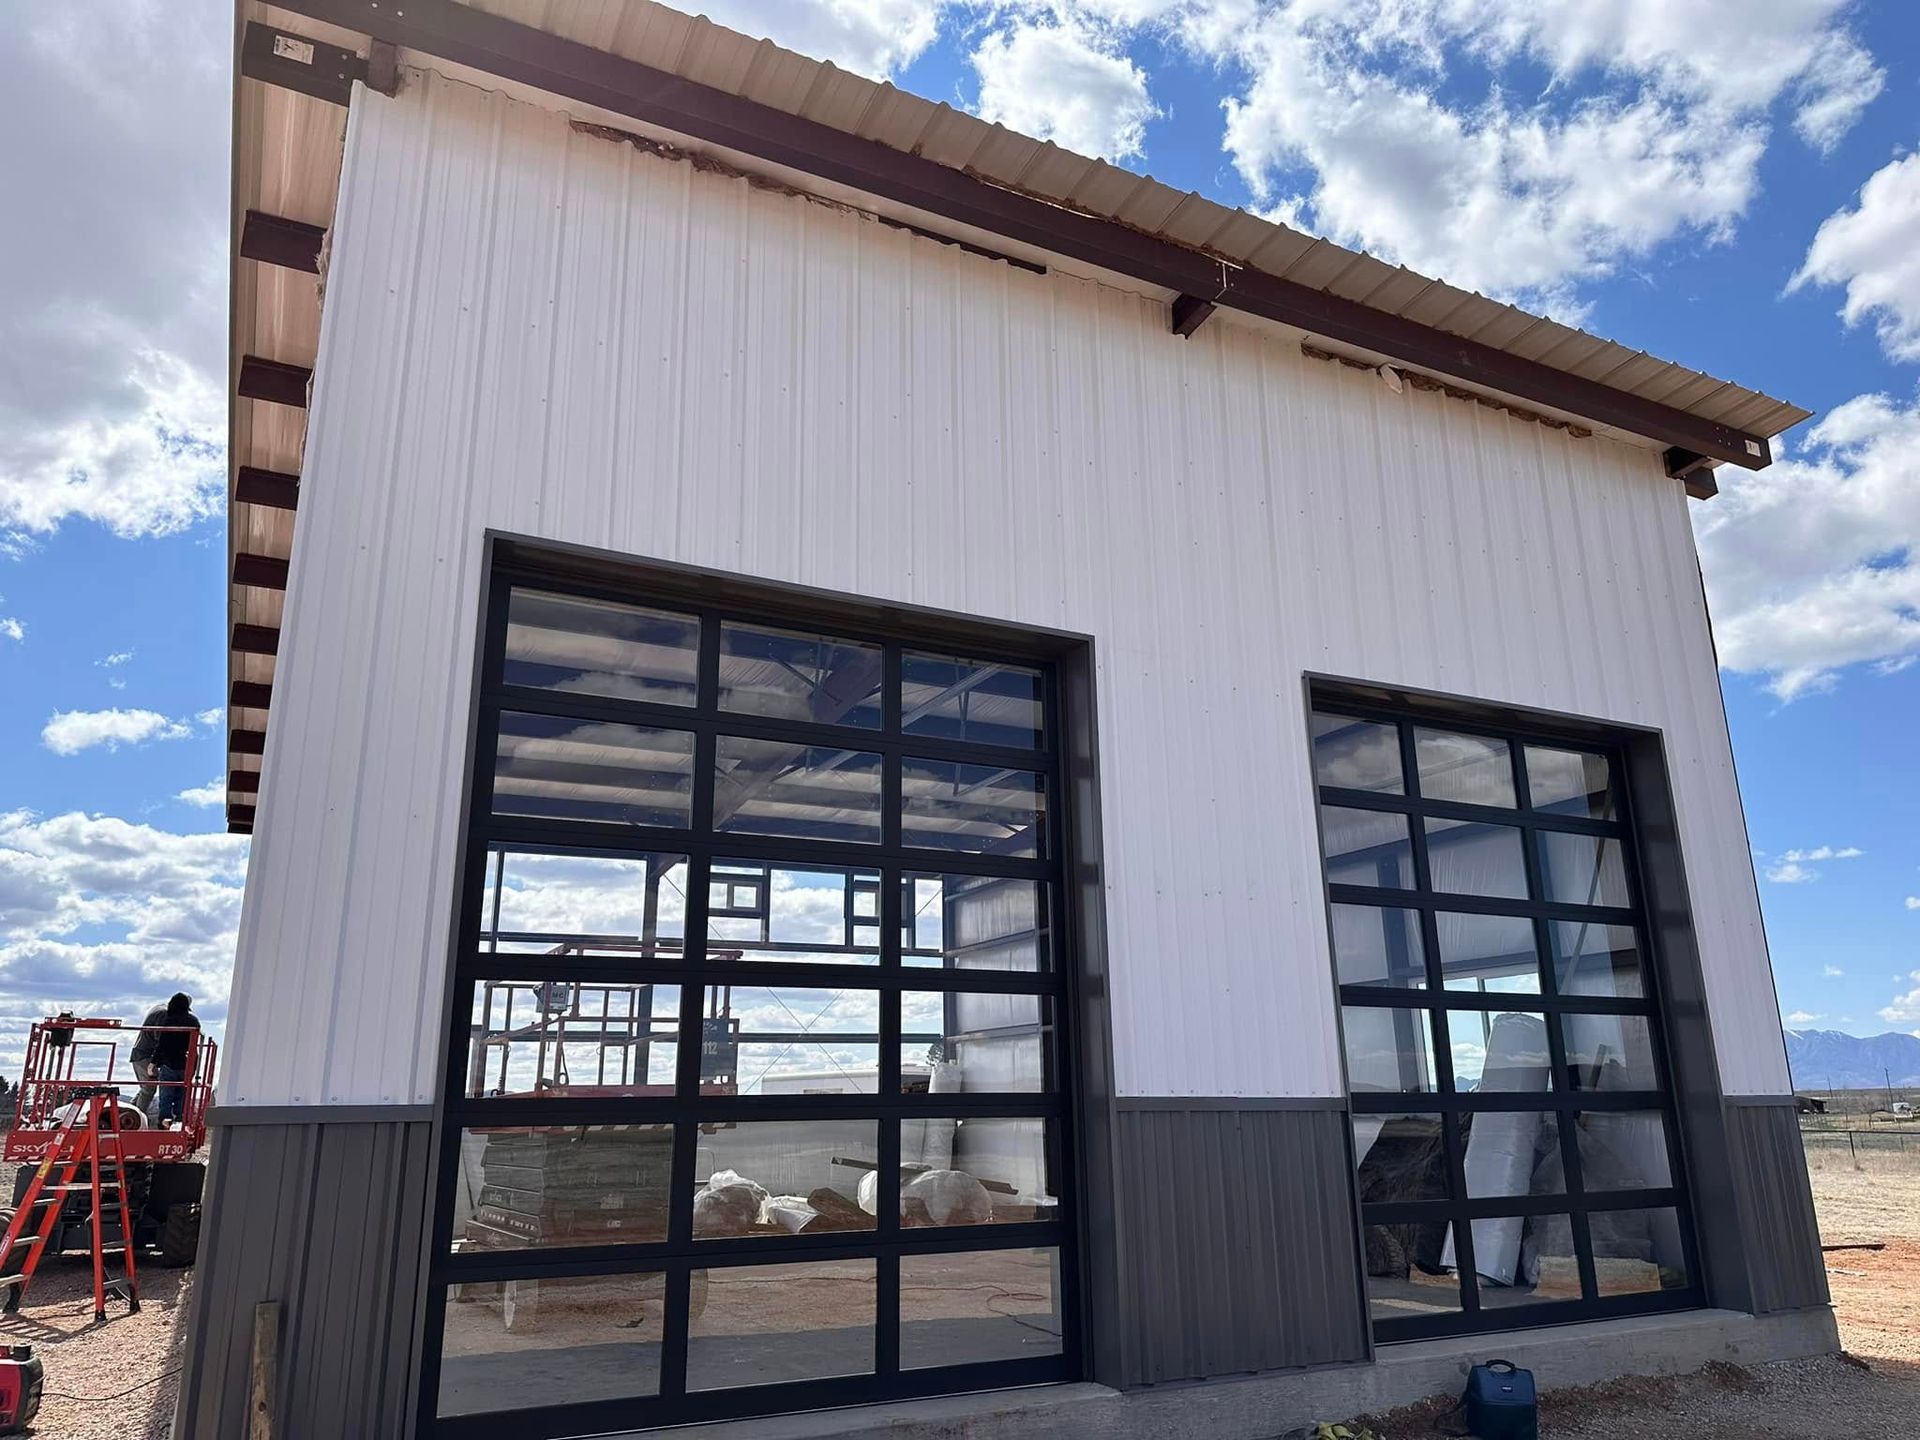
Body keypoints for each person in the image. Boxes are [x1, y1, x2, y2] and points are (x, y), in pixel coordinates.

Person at [135, 993, 200, 1124]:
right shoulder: (188, 1020)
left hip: (162, 1061)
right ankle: (135, 1117)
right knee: (169, 1091)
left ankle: (140, 1118)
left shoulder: (167, 1017)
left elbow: (162, 1043)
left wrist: (154, 1063)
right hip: (176, 1061)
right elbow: (193, 1047)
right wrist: (193, 1068)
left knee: (161, 1093)